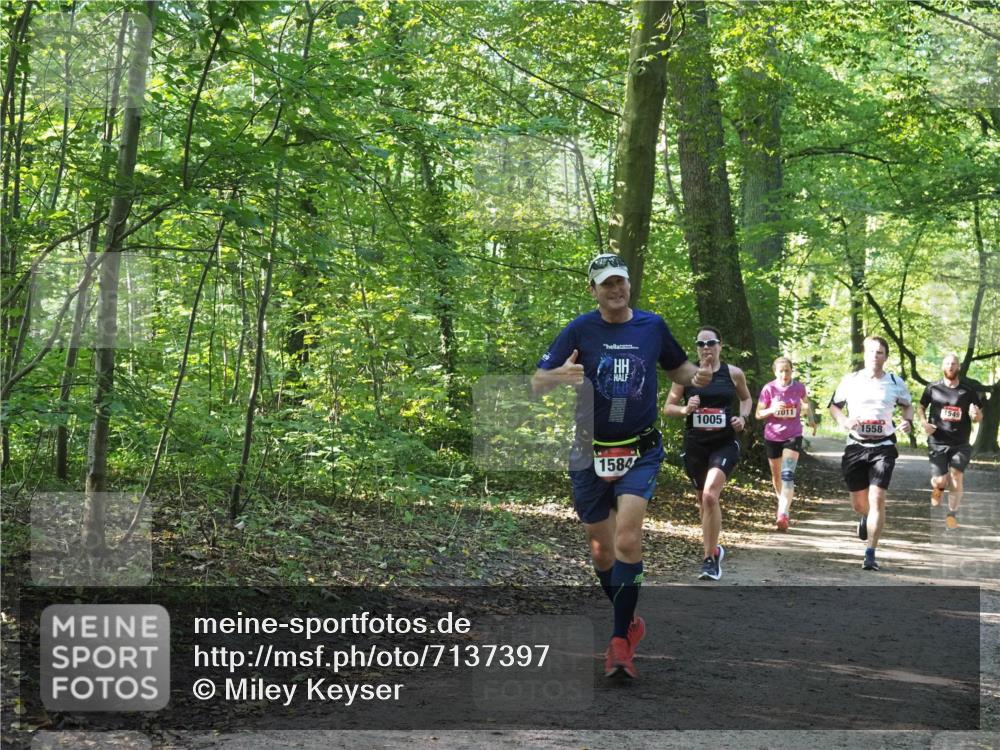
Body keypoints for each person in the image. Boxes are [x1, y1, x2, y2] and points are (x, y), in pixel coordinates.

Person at [532, 253, 710, 680]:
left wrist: (695, 377)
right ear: (593, 290)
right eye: (607, 284)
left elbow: (678, 367)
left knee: (628, 540)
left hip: (641, 448)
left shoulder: (651, 326)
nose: (616, 290)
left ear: (630, 285)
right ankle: (627, 621)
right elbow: (537, 384)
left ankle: (617, 644)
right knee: (602, 549)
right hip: (588, 451)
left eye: (622, 282)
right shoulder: (579, 329)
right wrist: (561, 375)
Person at [663, 326, 753, 581]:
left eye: (711, 342)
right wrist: (684, 411)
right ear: (696, 348)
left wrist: (742, 417)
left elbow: (746, 400)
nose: (706, 348)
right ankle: (713, 547)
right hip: (695, 446)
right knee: (703, 503)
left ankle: (708, 560)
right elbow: (668, 408)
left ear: (720, 345)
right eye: (701, 344)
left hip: (724, 443)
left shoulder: (733, 373)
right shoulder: (685, 375)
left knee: (710, 496)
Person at [828, 336, 914, 571]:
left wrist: (907, 421)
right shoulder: (851, 380)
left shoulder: (895, 382)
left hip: (884, 446)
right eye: (871, 352)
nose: (875, 357)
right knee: (859, 504)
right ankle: (865, 517)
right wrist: (845, 421)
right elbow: (834, 406)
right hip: (856, 446)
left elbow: (908, 405)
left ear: (886, 357)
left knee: (877, 498)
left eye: (880, 353)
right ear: (864, 354)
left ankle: (870, 552)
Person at [917, 353, 983, 529]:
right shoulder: (933, 388)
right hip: (937, 441)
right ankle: (938, 489)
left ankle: (952, 515)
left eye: (954, 363)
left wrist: (976, 416)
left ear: (958, 367)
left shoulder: (968, 391)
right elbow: (921, 406)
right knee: (940, 481)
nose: (951, 366)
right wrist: (924, 423)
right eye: (947, 363)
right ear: (943, 367)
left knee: (956, 477)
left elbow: (978, 415)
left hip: (960, 443)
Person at [756, 357, 816, 531]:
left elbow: (806, 404)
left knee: (787, 474)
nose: (784, 374)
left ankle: (783, 513)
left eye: (787, 370)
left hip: (793, 435)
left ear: (792, 371)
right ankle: (783, 507)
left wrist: (811, 420)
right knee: (777, 478)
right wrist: (772, 409)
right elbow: (758, 414)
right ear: (775, 372)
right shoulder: (769, 388)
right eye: (781, 371)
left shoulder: (798, 387)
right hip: (772, 436)